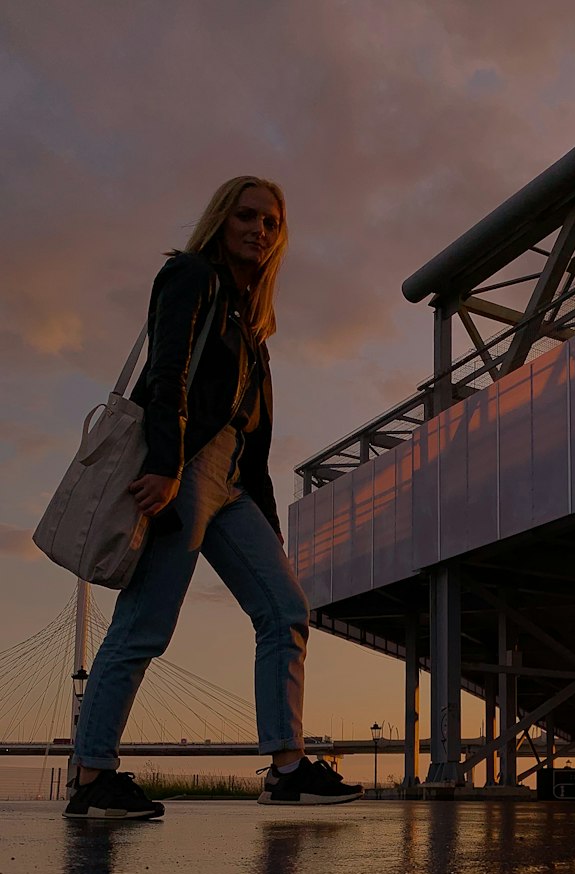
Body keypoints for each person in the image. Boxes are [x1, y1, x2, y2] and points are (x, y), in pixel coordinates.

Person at [65, 176, 362, 819]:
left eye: (272, 222)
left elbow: (251, 439)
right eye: (247, 216)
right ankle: (91, 777)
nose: (259, 229)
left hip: (233, 484)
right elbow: (166, 373)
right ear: (222, 219)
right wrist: (168, 467)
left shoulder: (254, 326)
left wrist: (268, 531)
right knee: (145, 624)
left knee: (285, 608)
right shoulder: (191, 276)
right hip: (185, 467)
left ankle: (287, 769)